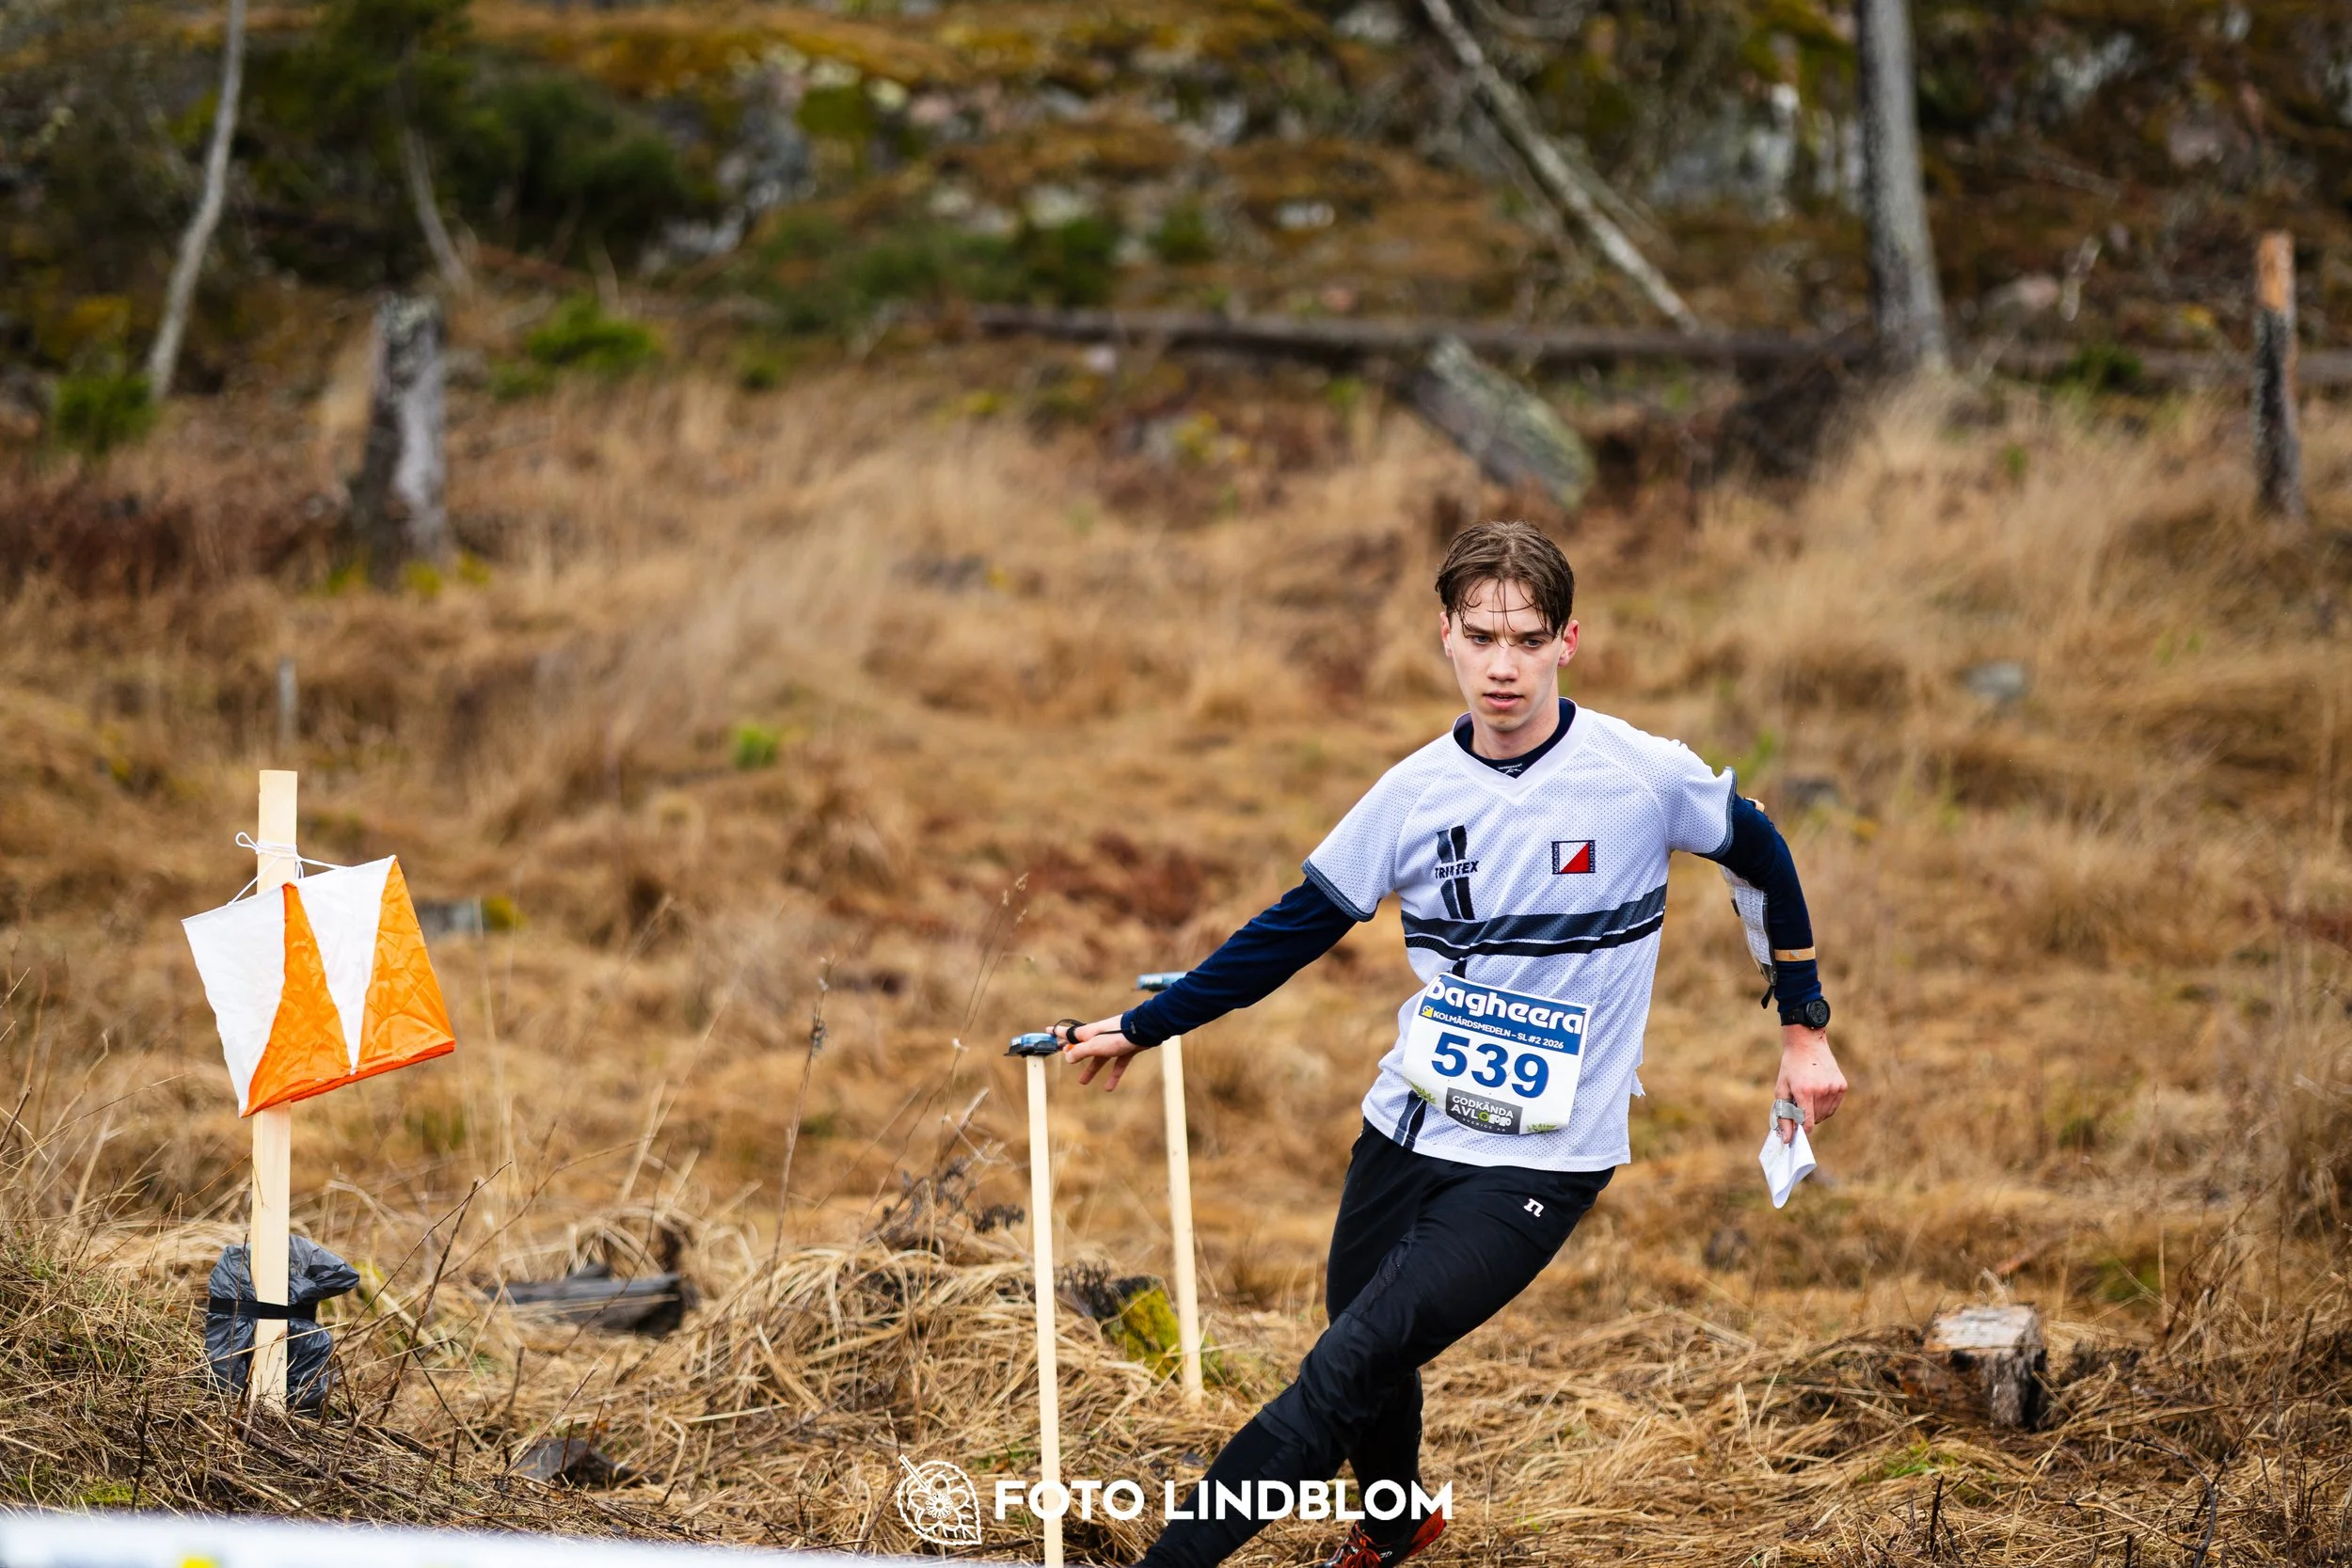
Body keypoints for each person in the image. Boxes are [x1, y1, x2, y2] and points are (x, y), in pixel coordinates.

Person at [1057, 520, 1848, 1568]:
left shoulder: (1640, 775)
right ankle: (1394, 1524)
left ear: (1569, 639)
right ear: (1446, 636)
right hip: (1406, 1123)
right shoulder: (1414, 791)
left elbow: (1763, 853)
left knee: (1344, 1364)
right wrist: (1152, 1022)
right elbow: (1295, 927)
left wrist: (1803, 1028)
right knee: (1368, 1347)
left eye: (1527, 637)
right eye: (1482, 636)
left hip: (1540, 1155)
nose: (1504, 664)